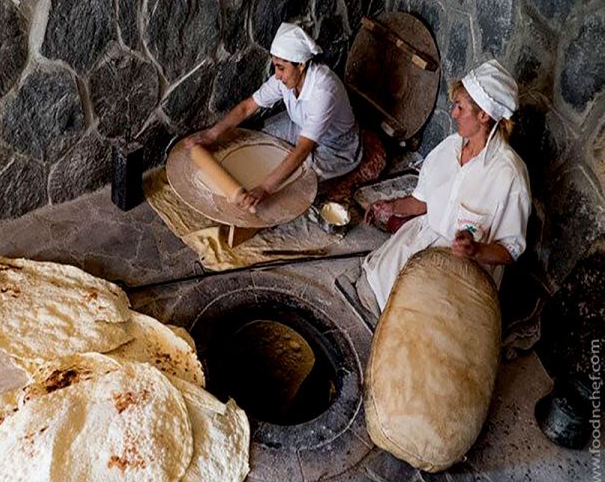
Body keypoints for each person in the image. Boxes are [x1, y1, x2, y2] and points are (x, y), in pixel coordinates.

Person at [356, 59, 531, 316]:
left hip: (465, 265)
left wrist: (475, 249)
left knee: (418, 320)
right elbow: (422, 201)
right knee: (374, 285)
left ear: (484, 114)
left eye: (460, 107)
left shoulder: (509, 176)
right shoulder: (450, 147)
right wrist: (391, 206)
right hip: (425, 237)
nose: (453, 113)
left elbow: (510, 251)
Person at [187, 22, 361, 212]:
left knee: (297, 183)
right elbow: (247, 107)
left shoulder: (324, 91)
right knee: (257, 141)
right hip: (299, 125)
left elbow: (302, 150)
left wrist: (265, 188)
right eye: (275, 67)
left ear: (301, 65)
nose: (276, 75)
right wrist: (211, 135)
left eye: (280, 68)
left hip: (336, 145)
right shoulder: (285, 77)